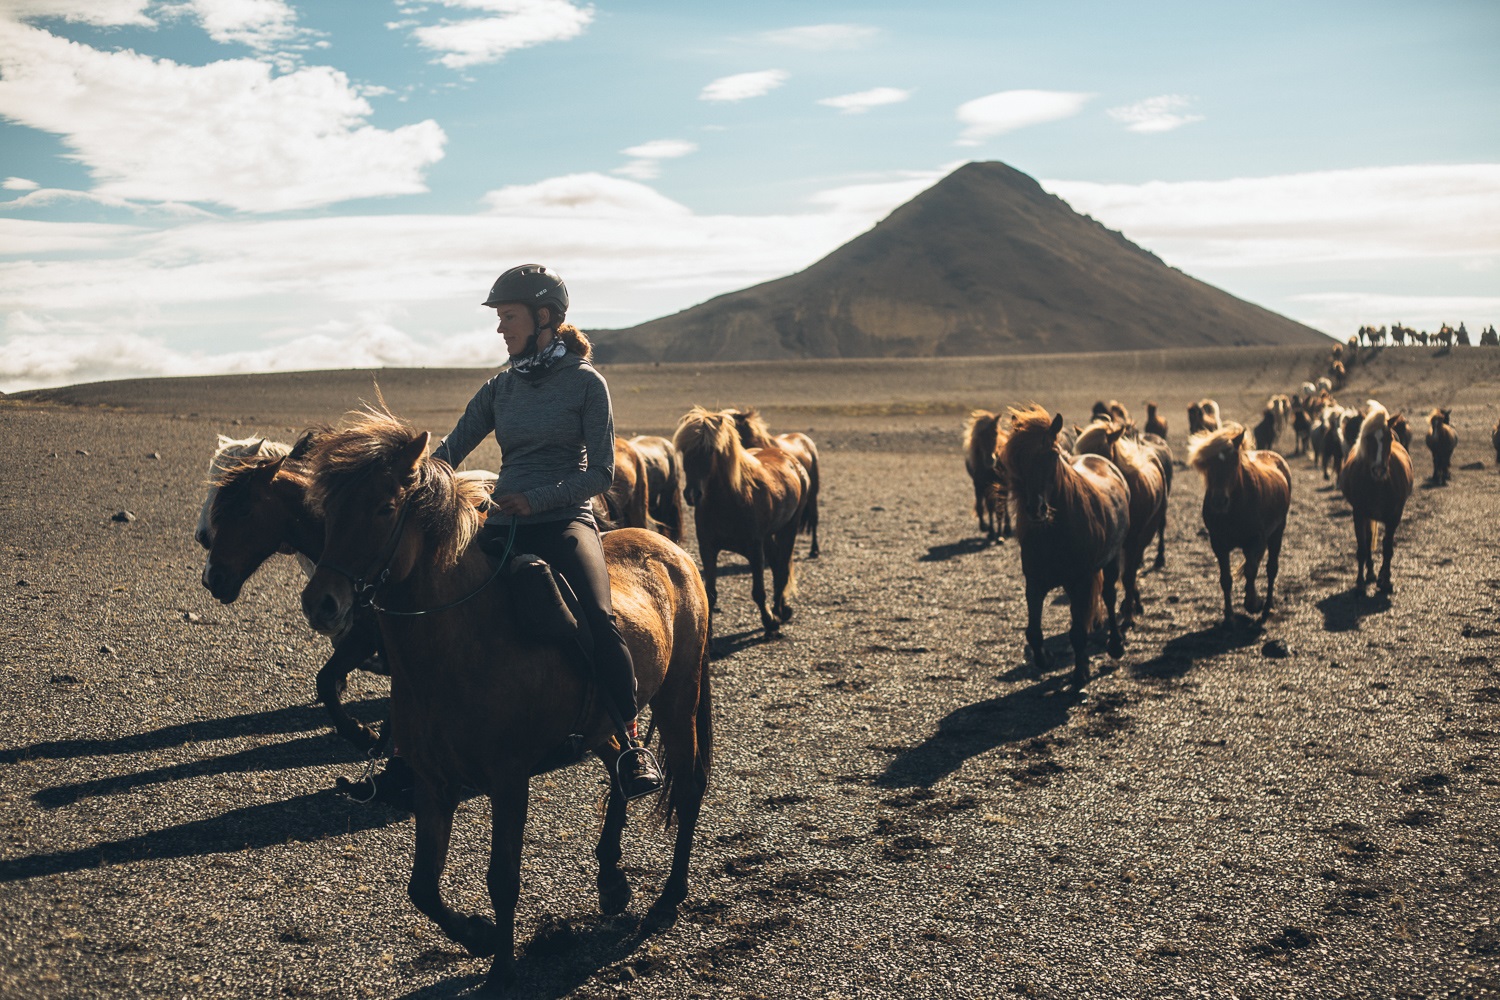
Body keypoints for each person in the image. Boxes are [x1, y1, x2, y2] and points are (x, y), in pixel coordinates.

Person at [429, 263, 662, 800]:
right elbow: (450, 451)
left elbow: (601, 474)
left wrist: (536, 498)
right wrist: (409, 476)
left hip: (565, 522)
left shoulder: (586, 384)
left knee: (601, 618)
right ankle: (406, 745)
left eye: (507, 317)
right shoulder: (501, 387)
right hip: (505, 523)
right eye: (499, 318)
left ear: (544, 318)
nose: (499, 328)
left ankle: (629, 743)